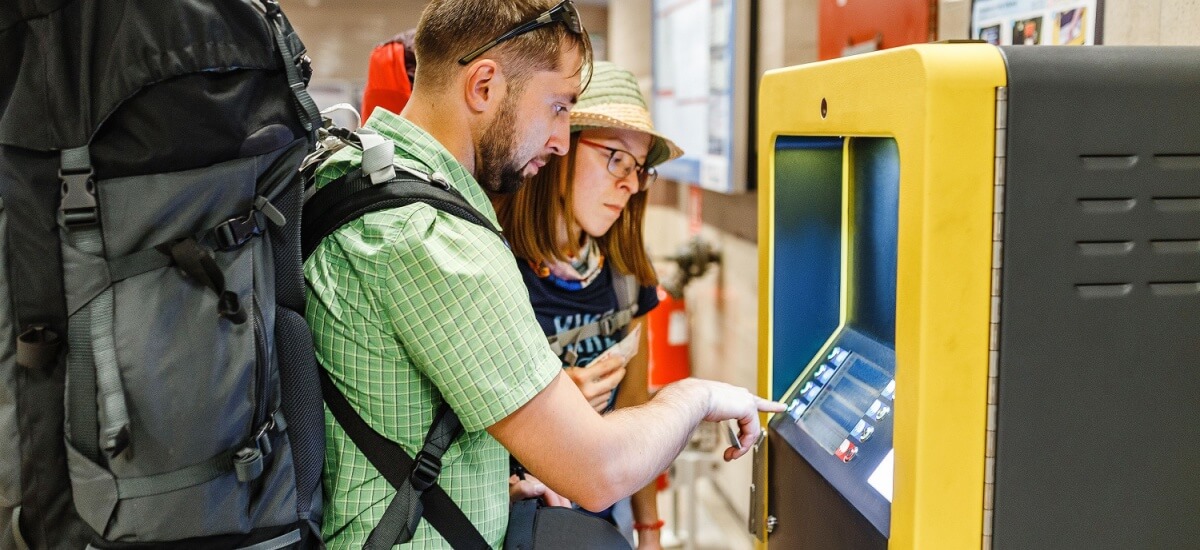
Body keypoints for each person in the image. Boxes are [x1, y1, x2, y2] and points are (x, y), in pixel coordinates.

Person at [303, 1, 785, 547]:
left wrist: (485, 484)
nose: (560, 141)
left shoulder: (358, 173)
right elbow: (598, 471)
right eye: (558, 107)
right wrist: (696, 397)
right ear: (483, 86)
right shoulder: (434, 239)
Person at [492, 61, 684, 549]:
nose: (630, 184)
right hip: (512, 519)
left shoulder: (624, 271)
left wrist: (649, 530)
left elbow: (635, 410)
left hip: (599, 520)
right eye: (616, 159)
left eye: (640, 169)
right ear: (561, 148)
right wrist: (552, 407)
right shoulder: (495, 267)